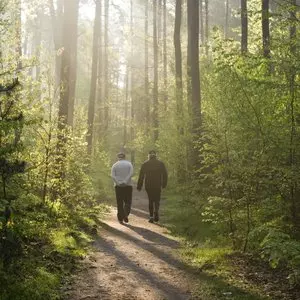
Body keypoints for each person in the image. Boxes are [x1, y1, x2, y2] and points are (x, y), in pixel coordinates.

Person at [137, 150, 168, 223]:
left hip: (149, 185)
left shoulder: (145, 164)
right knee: (157, 199)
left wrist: (139, 185)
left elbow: (141, 176)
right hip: (157, 184)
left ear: (149, 155)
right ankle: (156, 211)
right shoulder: (160, 163)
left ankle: (151, 217)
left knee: (150, 200)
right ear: (156, 155)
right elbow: (165, 174)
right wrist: (164, 184)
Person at [111, 152, 133, 224]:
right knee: (128, 201)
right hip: (128, 185)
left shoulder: (115, 165)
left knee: (119, 202)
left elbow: (113, 175)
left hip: (118, 186)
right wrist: (125, 181)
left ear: (118, 157)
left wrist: (119, 182)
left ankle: (120, 218)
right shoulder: (129, 164)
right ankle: (125, 214)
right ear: (124, 157)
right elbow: (131, 173)